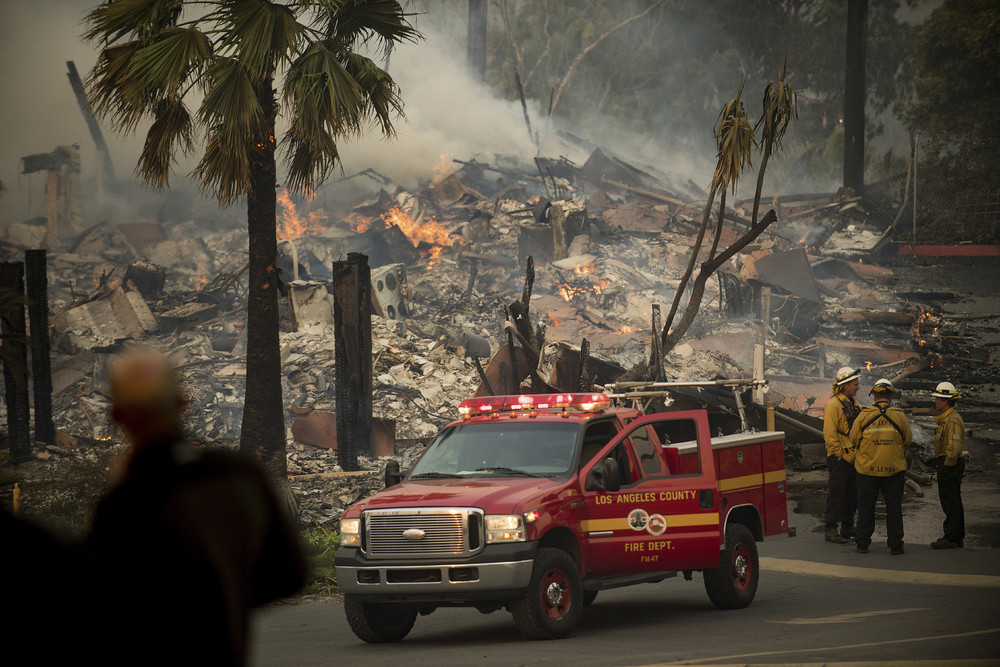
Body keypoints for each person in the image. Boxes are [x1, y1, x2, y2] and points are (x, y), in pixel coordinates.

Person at [86, 347, 306, 666]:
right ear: (181, 404)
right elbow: (288, 575)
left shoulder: (123, 504)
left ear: (118, 416)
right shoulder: (239, 475)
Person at [849, 378, 912, 555]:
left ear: (874, 396)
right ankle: (895, 545)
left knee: (866, 507)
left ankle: (862, 544)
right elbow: (908, 440)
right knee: (894, 508)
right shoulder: (899, 415)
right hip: (894, 470)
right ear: (891, 397)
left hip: (867, 470)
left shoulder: (864, 415)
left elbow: (853, 439)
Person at [822, 366, 862, 543]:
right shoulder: (834, 405)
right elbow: (830, 434)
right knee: (837, 494)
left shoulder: (852, 404)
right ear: (845, 385)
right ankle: (831, 528)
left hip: (852, 456)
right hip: (839, 458)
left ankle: (847, 526)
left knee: (852, 493)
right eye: (855, 384)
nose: (858, 387)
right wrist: (838, 454)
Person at [929, 381, 966, 549]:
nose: (935, 401)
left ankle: (952, 537)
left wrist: (947, 465)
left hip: (950, 465)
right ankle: (955, 536)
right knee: (951, 501)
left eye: (938, 399)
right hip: (947, 463)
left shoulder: (952, 420)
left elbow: (955, 445)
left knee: (951, 502)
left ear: (945, 401)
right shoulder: (946, 419)